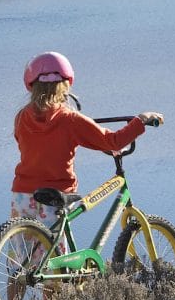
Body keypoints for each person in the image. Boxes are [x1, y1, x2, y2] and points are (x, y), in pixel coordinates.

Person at [11, 51, 163, 231]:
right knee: (56, 256)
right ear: (66, 85)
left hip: (22, 195)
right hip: (54, 197)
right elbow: (112, 141)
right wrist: (140, 120)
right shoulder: (70, 119)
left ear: (31, 85)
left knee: (23, 255)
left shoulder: (22, 117)